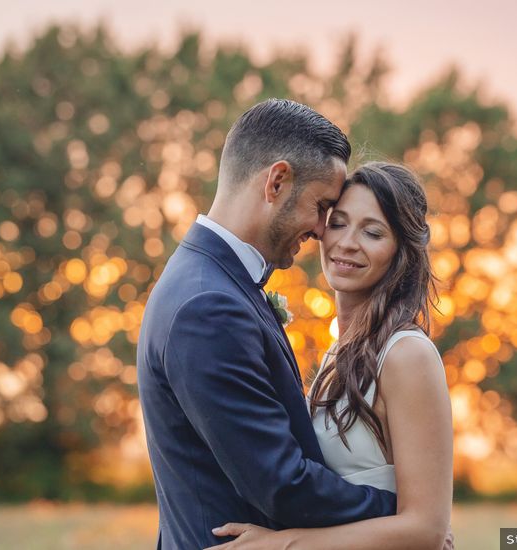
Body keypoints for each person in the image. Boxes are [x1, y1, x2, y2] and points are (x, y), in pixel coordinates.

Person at [137, 100, 397, 549]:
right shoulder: (209, 306)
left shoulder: (207, 281)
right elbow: (282, 484)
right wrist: (400, 514)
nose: (321, 230)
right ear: (277, 182)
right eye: (322, 207)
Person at [207, 163, 455, 549]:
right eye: (338, 223)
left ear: (401, 250)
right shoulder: (338, 353)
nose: (348, 242)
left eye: (373, 232)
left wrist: (282, 544)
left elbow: (426, 529)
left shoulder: (407, 355)